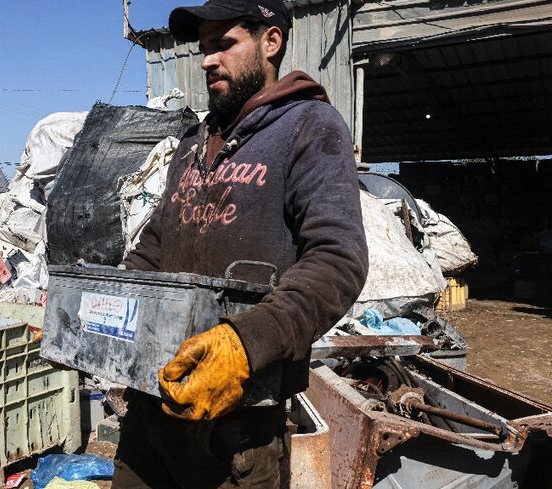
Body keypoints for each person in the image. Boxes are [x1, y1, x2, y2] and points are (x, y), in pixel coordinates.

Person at [114, 0, 369, 487]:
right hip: (154, 403)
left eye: (224, 44)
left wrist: (245, 342)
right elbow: (154, 245)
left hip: (239, 423)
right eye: (205, 48)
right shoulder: (192, 142)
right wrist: (109, 303)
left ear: (270, 41)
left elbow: (338, 260)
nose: (207, 60)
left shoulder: (309, 128)